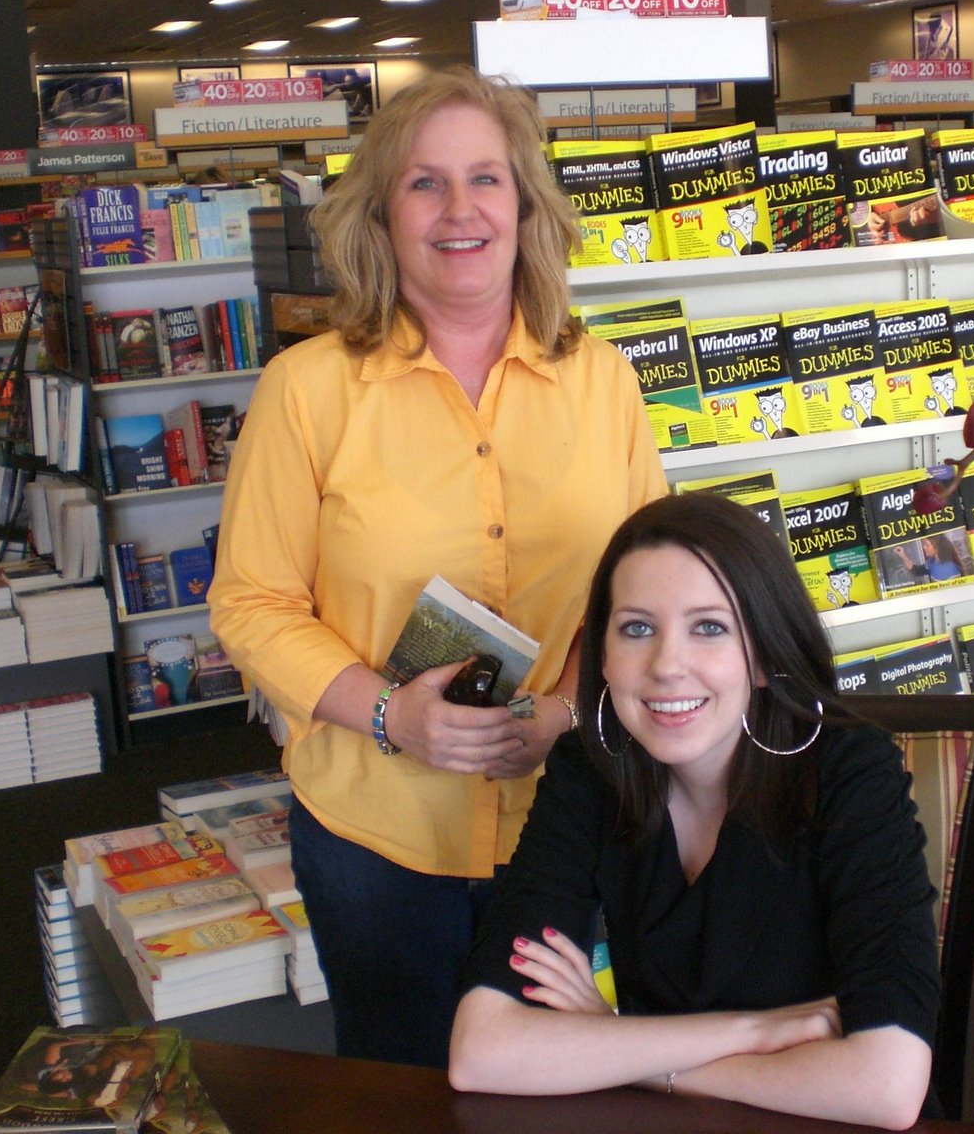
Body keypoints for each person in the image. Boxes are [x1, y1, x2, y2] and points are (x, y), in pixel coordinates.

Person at [208, 65, 668, 1068]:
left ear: (526, 205)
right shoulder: (306, 390)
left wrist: (566, 712)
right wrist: (391, 714)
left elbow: (644, 596)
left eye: (485, 179)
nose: (460, 210)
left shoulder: (602, 381)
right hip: (375, 833)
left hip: (561, 818)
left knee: (555, 1078)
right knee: (400, 1087)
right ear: (380, 214)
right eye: (425, 183)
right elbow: (251, 602)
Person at [449, 493, 941, 1130]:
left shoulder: (850, 770)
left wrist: (623, 1051)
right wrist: (752, 1032)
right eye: (637, 629)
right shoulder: (590, 770)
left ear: (764, 654)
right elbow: (483, 1051)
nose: (666, 667)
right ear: (603, 656)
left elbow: (887, 1088)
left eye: (709, 627)